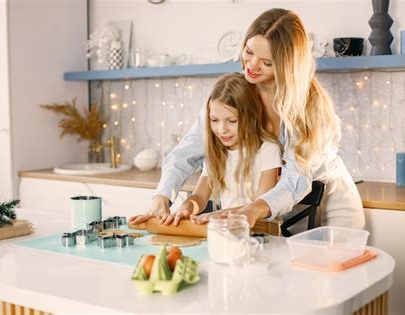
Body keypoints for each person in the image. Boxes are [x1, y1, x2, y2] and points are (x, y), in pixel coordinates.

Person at [129, 8, 365, 229]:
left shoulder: (307, 106)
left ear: (287, 66)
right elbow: (184, 153)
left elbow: (295, 180)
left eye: (266, 62)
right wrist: (162, 197)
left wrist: (251, 209)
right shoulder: (238, 94)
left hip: (330, 203)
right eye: (249, 52)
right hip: (278, 209)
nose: (251, 66)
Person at [158, 73, 282, 226]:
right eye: (214, 120)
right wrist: (187, 207)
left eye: (231, 121)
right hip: (227, 232)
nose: (222, 129)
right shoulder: (218, 152)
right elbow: (200, 197)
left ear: (251, 117)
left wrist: (217, 214)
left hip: (262, 236)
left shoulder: (268, 150)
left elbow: (260, 205)